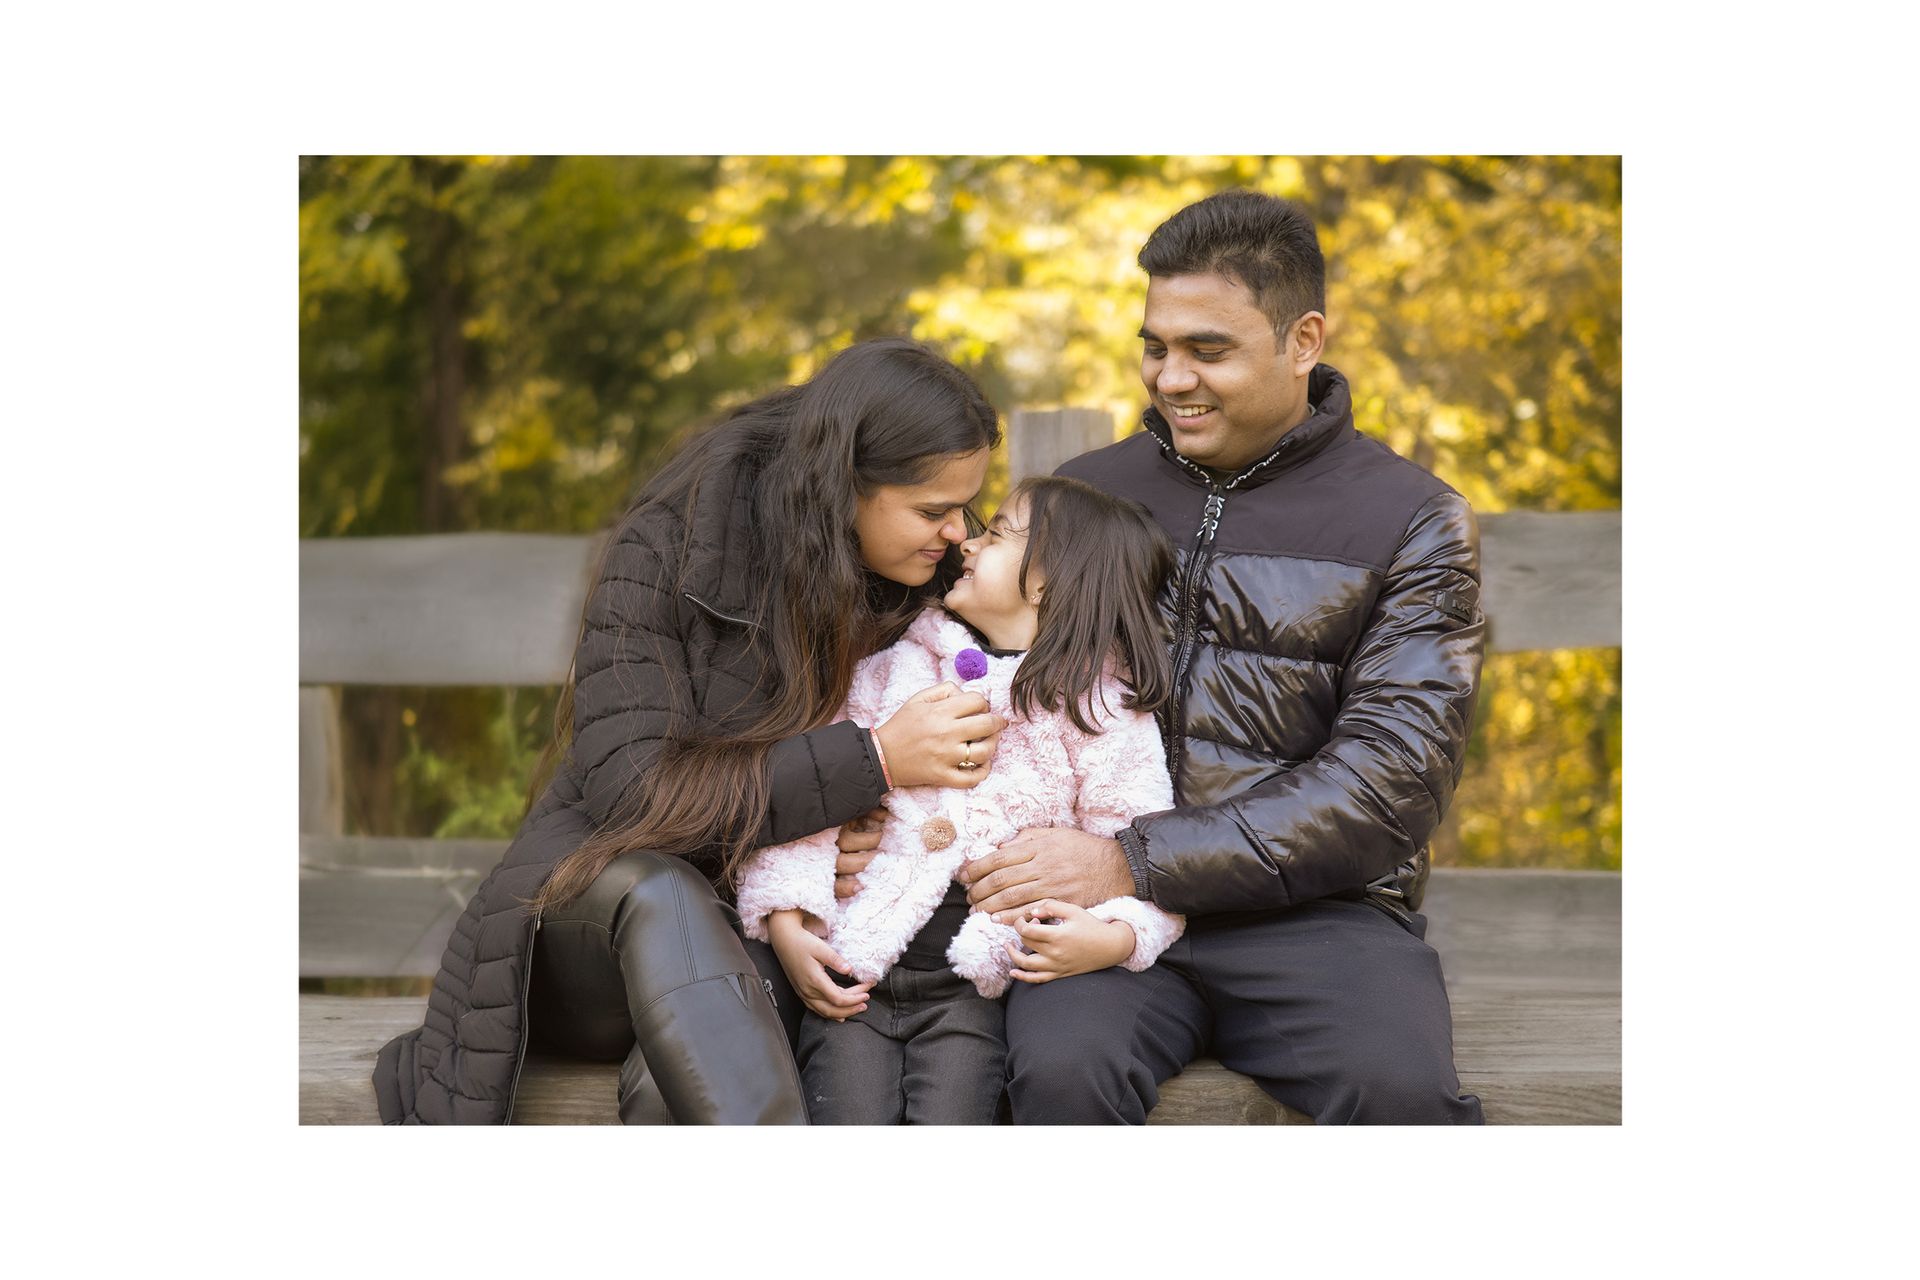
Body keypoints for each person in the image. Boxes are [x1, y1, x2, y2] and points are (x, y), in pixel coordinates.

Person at [371, 338, 1011, 1124]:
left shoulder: (928, 586)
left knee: (687, 1071)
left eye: (966, 509)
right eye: (932, 511)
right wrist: (869, 762)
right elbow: (634, 795)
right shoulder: (669, 551)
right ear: (844, 486)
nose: (956, 534)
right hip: (597, 921)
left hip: (768, 943)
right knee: (660, 892)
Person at [952, 189, 1489, 1124]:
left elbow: (1389, 783)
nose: (1170, 377)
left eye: (1209, 350)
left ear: (1304, 341)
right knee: (1057, 1079)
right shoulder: (1083, 498)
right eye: (1156, 346)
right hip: (1095, 916)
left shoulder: (1411, 518)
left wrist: (1134, 860)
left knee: (1403, 1098)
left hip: (1319, 915)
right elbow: (971, 680)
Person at [734, 477, 1181, 1124]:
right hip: (854, 968)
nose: (967, 544)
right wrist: (785, 915)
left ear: (1047, 583)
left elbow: (1146, 856)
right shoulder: (896, 671)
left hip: (972, 991)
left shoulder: (1102, 713)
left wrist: (1112, 940)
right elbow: (815, 795)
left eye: (997, 534)